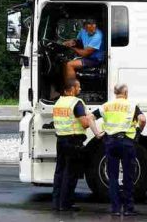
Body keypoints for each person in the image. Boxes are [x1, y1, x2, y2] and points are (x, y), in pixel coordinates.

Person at [90, 84, 146, 216]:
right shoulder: (132, 105)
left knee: (113, 176)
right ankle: (128, 208)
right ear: (125, 93)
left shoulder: (106, 105)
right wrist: (138, 131)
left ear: (115, 93)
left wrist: (97, 133)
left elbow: (90, 117)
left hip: (111, 142)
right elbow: (142, 119)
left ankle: (115, 209)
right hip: (127, 142)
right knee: (128, 176)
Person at [52, 78, 90, 211]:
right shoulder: (76, 103)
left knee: (59, 172)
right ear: (72, 89)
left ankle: (57, 203)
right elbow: (84, 123)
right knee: (70, 173)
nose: (80, 89)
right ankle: (66, 204)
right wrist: (90, 119)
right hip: (73, 141)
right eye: (78, 87)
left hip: (60, 140)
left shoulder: (58, 102)